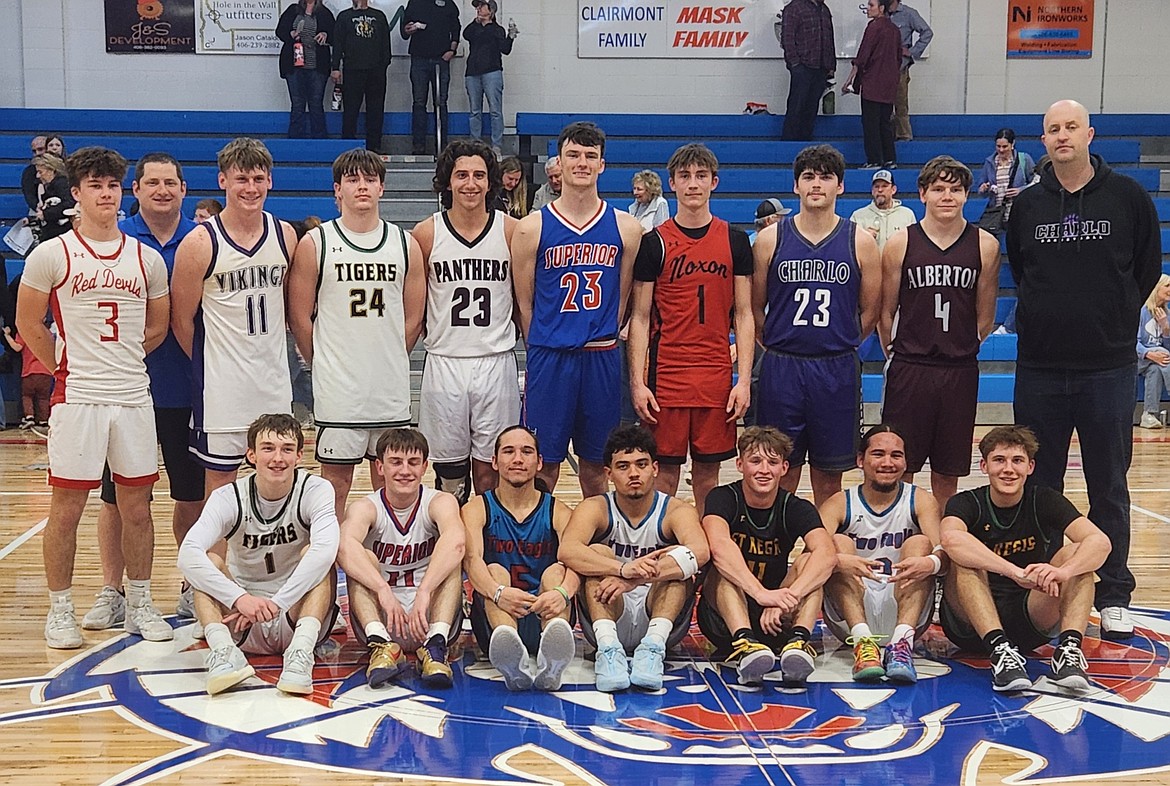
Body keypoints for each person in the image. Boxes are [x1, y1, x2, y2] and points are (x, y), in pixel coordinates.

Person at [1007, 99, 1162, 641]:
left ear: (1089, 134)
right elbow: (1022, 269)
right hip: (1041, 368)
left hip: (1107, 368)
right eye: (1053, 129)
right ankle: (1043, 587)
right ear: (1043, 141)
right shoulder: (1028, 205)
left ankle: (1113, 591)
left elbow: (1146, 270)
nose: (1062, 135)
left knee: (1108, 484)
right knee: (1039, 483)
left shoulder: (1129, 198)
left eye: (1071, 126)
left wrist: (1112, 318)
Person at [15, 146, 171, 649]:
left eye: (112, 186)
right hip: (78, 397)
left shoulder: (145, 258)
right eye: (95, 186)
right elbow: (27, 322)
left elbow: (158, 327)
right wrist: (63, 365)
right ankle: (60, 609)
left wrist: (123, 358)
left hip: (132, 396)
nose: (106, 194)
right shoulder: (52, 254)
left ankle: (140, 603)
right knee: (67, 507)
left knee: (138, 507)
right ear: (77, 193)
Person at [82, 153, 207, 631]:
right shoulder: (114, 240)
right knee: (115, 499)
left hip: (187, 388)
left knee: (190, 497)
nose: (161, 190)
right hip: (123, 390)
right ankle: (112, 591)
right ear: (135, 190)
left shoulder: (201, 240)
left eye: (170, 182)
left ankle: (192, 585)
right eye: (151, 182)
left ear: (183, 189)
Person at [287, 148, 423, 520]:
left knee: (392, 482)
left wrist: (390, 355)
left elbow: (415, 317)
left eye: (369, 179)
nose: (361, 186)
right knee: (335, 484)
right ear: (337, 190)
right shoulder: (316, 243)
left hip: (389, 389)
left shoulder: (404, 244)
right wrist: (323, 363)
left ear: (382, 187)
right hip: (339, 392)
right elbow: (299, 316)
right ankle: (329, 555)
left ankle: (389, 553)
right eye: (352, 179)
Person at [512, 122, 643, 496]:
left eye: (590, 156)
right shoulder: (532, 227)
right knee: (542, 467)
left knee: (597, 467)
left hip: (601, 356)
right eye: (573, 155)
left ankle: (596, 533)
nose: (581, 163)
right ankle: (536, 534)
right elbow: (525, 304)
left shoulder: (627, 228)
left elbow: (623, 298)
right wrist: (546, 341)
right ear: (559, 162)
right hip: (550, 356)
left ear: (602, 164)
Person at [751, 144, 882, 506]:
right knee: (779, 469)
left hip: (835, 368)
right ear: (796, 185)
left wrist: (839, 342)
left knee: (829, 476)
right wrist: (775, 344)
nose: (816, 184)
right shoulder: (770, 239)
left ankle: (824, 542)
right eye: (808, 177)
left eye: (826, 177)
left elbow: (870, 311)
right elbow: (754, 308)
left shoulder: (861, 241)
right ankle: (778, 538)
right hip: (783, 366)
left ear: (840, 186)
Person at [627, 143, 753, 514]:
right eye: (685, 176)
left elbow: (744, 313)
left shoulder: (734, 240)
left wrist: (744, 380)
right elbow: (640, 317)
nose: (693, 184)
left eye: (701, 176)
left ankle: (704, 545)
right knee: (664, 474)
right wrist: (637, 382)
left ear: (714, 182)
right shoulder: (654, 243)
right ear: (672, 183)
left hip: (715, 373)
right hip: (667, 373)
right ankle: (663, 543)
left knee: (707, 476)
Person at [177, 414, 340, 695]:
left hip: (294, 611)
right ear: (251, 455)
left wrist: (278, 603)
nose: (278, 458)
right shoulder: (228, 497)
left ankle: (300, 654)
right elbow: (187, 554)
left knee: (318, 558)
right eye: (268, 448)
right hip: (241, 618)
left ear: (299, 455)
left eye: (287, 449)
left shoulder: (316, 489)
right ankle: (224, 652)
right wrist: (239, 599)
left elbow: (325, 550)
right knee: (209, 563)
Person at [940, 426, 1111, 692]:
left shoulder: (1044, 499)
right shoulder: (966, 502)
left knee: (1078, 556)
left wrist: (1064, 572)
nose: (1008, 469)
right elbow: (951, 539)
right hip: (970, 625)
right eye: (999, 460)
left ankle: (1068, 652)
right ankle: (1000, 651)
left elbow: (1100, 542)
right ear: (984, 466)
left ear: (1030, 467)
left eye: (1017, 461)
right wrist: (1014, 572)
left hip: (1028, 616)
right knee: (964, 559)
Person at [172, 138, 297, 496]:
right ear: (223, 180)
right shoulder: (200, 242)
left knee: (277, 483)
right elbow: (181, 321)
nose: (251, 188)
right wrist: (213, 362)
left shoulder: (285, 235)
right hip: (222, 391)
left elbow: (289, 309)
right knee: (220, 490)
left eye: (258, 178)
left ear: (270, 180)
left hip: (273, 385)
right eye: (241, 179)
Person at [879, 156, 1000, 508]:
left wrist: (959, 347)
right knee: (900, 464)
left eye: (955, 189)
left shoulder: (985, 245)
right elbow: (885, 313)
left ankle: (945, 535)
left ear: (966, 195)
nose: (947, 196)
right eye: (938, 189)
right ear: (922, 194)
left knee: (948, 472)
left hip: (959, 369)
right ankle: (901, 532)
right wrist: (898, 353)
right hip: (911, 366)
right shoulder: (900, 242)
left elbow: (985, 317)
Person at [557, 424, 710, 692]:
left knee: (678, 560)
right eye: (623, 466)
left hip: (660, 614)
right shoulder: (595, 507)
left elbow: (700, 551)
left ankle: (653, 648)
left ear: (655, 468)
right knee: (597, 552)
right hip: (609, 610)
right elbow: (567, 550)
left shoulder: (675, 510)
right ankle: (608, 650)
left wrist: (634, 578)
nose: (634, 473)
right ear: (609, 473)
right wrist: (623, 569)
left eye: (641, 464)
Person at [412, 140, 518, 500]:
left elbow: (523, 300)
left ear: (490, 182)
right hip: (445, 361)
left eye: (479, 175)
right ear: (448, 181)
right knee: (449, 477)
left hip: (495, 361)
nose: (470, 184)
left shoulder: (511, 231)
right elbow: (415, 307)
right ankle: (450, 535)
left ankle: (485, 535)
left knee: (491, 472)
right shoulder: (426, 233)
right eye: (461, 175)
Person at [699, 426, 835, 686]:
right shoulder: (722, 497)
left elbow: (827, 554)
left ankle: (798, 643)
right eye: (755, 461)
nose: (764, 470)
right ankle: (746, 643)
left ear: (784, 468)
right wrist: (760, 593)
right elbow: (719, 546)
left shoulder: (796, 507)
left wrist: (787, 598)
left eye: (772, 463)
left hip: (776, 617)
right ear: (740, 465)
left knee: (810, 562)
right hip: (725, 617)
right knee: (722, 568)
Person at [337, 428, 466, 689]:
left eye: (413, 462)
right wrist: (382, 588)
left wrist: (425, 590)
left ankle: (436, 645)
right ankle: (381, 644)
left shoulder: (440, 501)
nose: (405, 471)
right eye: (396, 462)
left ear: (425, 467)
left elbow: (456, 543)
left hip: (429, 614)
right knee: (362, 557)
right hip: (382, 615)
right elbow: (344, 547)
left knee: (452, 555)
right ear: (380, 467)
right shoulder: (366, 507)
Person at [820, 425, 944, 684]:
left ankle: (901, 644)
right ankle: (863, 642)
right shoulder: (840, 503)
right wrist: (839, 561)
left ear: (905, 462)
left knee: (921, 544)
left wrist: (929, 563)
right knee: (836, 544)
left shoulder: (920, 500)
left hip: (905, 606)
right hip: (850, 615)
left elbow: (944, 558)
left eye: (896, 455)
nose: (888, 463)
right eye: (878, 454)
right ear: (860, 460)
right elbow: (812, 556)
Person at [462, 425, 578, 690]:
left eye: (526, 452)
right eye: (508, 451)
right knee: (494, 570)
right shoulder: (477, 508)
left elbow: (577, 563)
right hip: (497, 615)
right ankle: (510, 653)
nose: (517, 459)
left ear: (539, 462)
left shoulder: (558, 511)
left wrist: (561, 593)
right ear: (494, 461)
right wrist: (499, 593)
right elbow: (471, 561)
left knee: (557, 572)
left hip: (546, 611)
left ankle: (553, 659)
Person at [841, 0, 901, 169]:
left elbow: (863, 56)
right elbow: (898, 57)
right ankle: (890, 158)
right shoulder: (894, 30)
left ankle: (874, 160)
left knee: (871, 124)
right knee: (885, 123)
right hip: (889, 84)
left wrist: (849, 80)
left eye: (871, 5)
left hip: (873, 83)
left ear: (881, 8)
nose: (867, 9)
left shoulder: (873, 27)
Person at [331, 0, 393, 154]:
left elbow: (386, 43)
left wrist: (383, 64)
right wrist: (335, 67)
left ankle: (374, 146)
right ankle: (348, 146)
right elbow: (337, 44)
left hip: (376, 71)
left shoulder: (379, 16)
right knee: (351, 109)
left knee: (376, 109)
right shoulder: (344, 16)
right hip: (352, 70)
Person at [402, 0, 462, 156]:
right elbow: (404, 31)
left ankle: (442, 145)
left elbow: (456, 28)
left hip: (440, 59)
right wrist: (408, 29)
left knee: (440, 102)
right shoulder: (414, 3)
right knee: (419, 102)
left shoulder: (447, 3)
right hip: (419, 58)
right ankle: (418, 145)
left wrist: (452, 50)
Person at [276, 0, 335, 140]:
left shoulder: (324, 13)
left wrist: (325, 35)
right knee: (297, 104)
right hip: (294, 66)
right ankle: (295, 139)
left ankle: (319, 139)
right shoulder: (293, 10)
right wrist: (291, 34)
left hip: (317, 67)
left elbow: (335, 36)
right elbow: (280, 31)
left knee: (316, 104)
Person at [463, 0, 516, 156]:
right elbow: (466, 35)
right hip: (473, 72)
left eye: (482, 6)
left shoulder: (497, 30)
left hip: (492, 72)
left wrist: (511, 37)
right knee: (474, 110)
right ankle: (475, 143)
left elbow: (505, 49)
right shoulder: (474, 28)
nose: (478, 9)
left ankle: (496, 145)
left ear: (491, 10)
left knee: (495, 110)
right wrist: (476, 22)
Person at [779, 0, 835, 142]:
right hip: (803, 66)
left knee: (811, 109)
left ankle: (805, 143)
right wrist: (795, 64)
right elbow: (787, 39)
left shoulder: (824, 9)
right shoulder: (794, 8)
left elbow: (829, 39)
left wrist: (831, 65)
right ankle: (789, 144)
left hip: (821, 67)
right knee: (796, 107)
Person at [974, 129, 1036, 234]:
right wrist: (984, 188)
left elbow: (1036, 182)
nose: (1001, 150)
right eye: (998, 146)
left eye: (1005, 146)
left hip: (1019, 212)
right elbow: (981, 190)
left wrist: (1020, 190)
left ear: (1012, 144)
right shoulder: (989, 162)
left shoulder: (1024, 159)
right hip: (997, 213)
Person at [887, 0, 933, 142]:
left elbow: (927, 32)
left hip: (900, 66)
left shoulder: (909, 13)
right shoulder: (882, 12)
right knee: (883, 103)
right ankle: (887, 134)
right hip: (882, 66)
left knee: (900, 101)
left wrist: (912, 52)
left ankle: (903, 135)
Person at [2, 318, 52, 434]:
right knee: (43, 398)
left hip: (29, 371)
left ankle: (29, 417)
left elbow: (17, 347)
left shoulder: (24, 332)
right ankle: (43, 420)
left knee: (27, 396)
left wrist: (7, 335)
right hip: (46, 372)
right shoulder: (47, 333)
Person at [848, 169, 916, 251]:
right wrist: (863, 239)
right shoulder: (858, 216)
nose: (880, 190)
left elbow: (914, 247)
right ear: (872, 191)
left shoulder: (907, 215)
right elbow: (848, 247)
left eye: (884, 186)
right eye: (876, 186)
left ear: (893, 189)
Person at [1137, 274, 1170, 429]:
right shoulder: (1141, 311)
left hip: (1156, 362)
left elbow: (1168, 348)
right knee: (1161, 351)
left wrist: (1165, 328)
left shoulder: (1167, 314)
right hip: (1137, 359)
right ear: (1157, 288)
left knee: (1155, 370)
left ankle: (1149, 414)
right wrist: (1149, 354)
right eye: (1167, 286)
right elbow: (1132, 343)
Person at [30, 153, 74, 244]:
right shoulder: (51, 186)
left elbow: (69, 204)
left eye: (40, 172)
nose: (38, 176)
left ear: (51, 170)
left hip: (61, 232)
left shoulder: (61, 184)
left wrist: (46, 214)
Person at [20, 135, 47, 213]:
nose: (37, 153)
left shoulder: (63, 167)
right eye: (34, 151)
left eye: (40, 149)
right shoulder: (29, 171)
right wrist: (38, 208)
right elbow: (29, 194)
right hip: (38, 210)